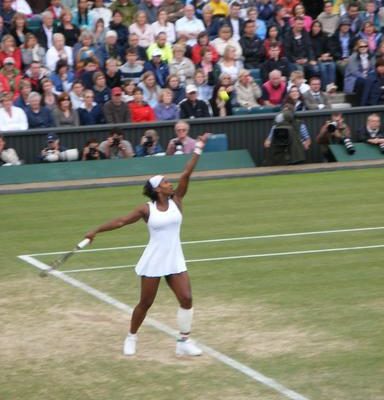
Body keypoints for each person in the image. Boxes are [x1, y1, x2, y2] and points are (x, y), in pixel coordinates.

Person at [84, 132, 209, 357]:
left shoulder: (177, 200)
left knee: (187, 299)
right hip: (154, 259)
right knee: (145, 303)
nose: (171, 184)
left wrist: (199, 147)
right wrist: (96, 231)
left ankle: (183, 342)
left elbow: (187, 173)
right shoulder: (146, 209)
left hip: (175, 258)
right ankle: (131, 336)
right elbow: (122, 221)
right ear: (157, 189)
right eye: (166, 183)